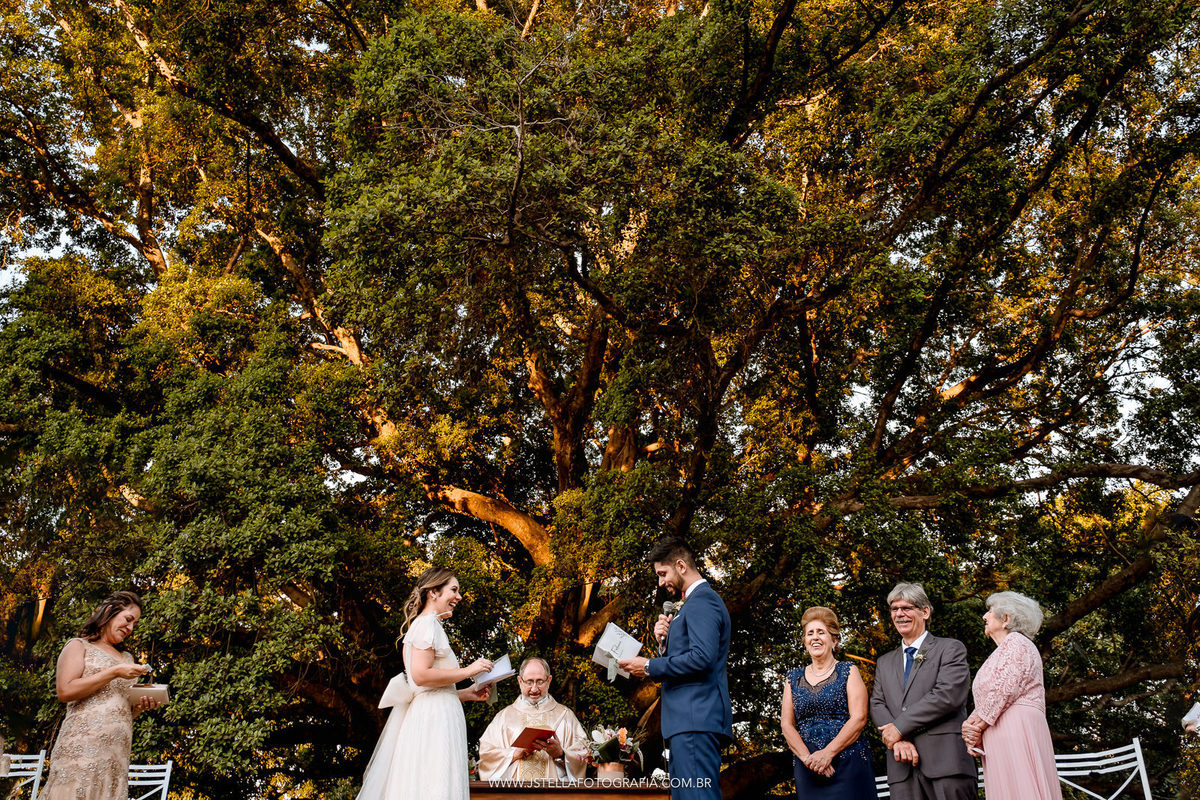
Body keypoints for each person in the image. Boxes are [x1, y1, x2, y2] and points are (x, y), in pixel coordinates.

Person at [357, 568, 494, 800]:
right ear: (433, 592)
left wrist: (467, 693)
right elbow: (421, 675)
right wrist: (469, 670)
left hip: (435, 712)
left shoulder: (426, 626)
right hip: (434, 721)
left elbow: (428, 689)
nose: (459, 597)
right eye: (453, 590)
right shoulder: (427, 624)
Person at [619, 537, 731, 800]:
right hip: (686, 722)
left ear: (680, 565)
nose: (660, 582)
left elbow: (702, 658)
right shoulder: (691, 605)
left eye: (662, 573)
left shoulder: (703, 601)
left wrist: (648, 666)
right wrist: (664, 643)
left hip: (696, 719)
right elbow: (693, 655)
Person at [41, 591, 163, 800]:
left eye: (134, 624)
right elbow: (65, 691)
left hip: (116, 754)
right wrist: (113, 672)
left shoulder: (127, 658)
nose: (130, 628)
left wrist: (138, 708)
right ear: (109, 612)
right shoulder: (78, 646)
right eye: (128, 619)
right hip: (81, 749)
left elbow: (120, 707)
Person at [869, 583, 978, 800]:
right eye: (894, 609)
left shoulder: (950, 648)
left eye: (907, 608)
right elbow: (877, 703)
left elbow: (947, 695)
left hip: (946, 764)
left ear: (925, 612)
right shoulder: (884, 662)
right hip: (902, 769)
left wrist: (899, 728)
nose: (900, 614)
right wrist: (897, 740)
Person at [961, 591, 1061, 800]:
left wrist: (975, 727)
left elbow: (1003, 690)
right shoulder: (1001, 651)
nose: (985, 617)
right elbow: (989, 698)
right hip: (999, 728)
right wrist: (971, 727)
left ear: (1005, 619)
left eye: (989, 611)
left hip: (1016, 728)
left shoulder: (1017, 643)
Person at [781, 606, 875, 798]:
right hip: (808, 768)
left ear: (834, 640)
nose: (815, 637)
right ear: (805, 642)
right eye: (810, 633)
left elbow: (859, 718)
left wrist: (828, 754)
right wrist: (809, 759)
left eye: (821, 632)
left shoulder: (849, 670)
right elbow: (786, 724)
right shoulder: (793, 678)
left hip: (847, 762)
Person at [477, 657, 588, 781]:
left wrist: (561, 754)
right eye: (529, 682)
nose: (534, 689)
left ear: (549, 681)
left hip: (555, 793)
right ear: (520, 681)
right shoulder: (503, 717)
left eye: (540, 681)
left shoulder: (565, 716)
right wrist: (514, 754)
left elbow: (584, 752)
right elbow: (486, 755)